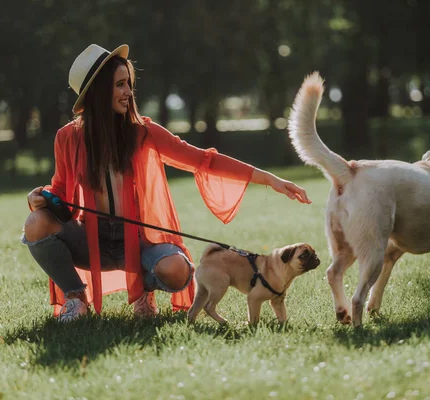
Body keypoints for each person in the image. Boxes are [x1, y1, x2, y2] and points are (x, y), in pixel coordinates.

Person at [21, 44, 311, 322]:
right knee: (35, 223)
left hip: (138, 240)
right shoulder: (67, 138)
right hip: (90, 239)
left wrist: (270, 179)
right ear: (97, 92)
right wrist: (41, 199)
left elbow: (203, 160)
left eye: (128, 84)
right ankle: (75, 298)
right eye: (119, 85)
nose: (128, 93)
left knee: (177, 270)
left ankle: (144, 291)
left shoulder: (143, 132)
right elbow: (60, 191)